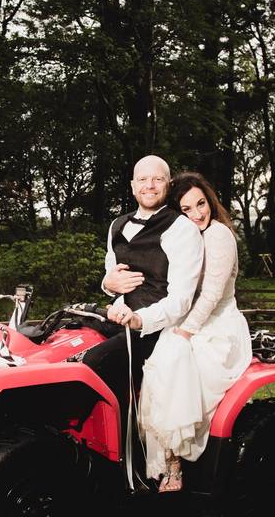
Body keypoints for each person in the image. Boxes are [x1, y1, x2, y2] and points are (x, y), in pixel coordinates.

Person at [83, 156, 204, 477]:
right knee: (64, 345)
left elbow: (181, 299)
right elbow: (112, 277)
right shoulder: (117, 225)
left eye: (158, 180)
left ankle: (117, 465)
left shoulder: (182, 229)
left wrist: (142, 320)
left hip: (158, 328)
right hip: (119, 317)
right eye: (143, 180)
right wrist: (107, 285)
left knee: (94, 364)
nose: (149, 185)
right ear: (133, 186)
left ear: (167, 185)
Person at [137, 171, 252, 492]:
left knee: (177, 363)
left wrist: (185, 333)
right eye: (187, 209)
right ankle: (167, 462)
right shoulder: (182, 238)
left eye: (201, 203)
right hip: (187, 320)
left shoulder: (219, 235)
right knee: (157, 367)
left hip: (218, 325)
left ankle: (178, 468)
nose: (198, 213)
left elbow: (212, 294)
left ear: (210, 201)